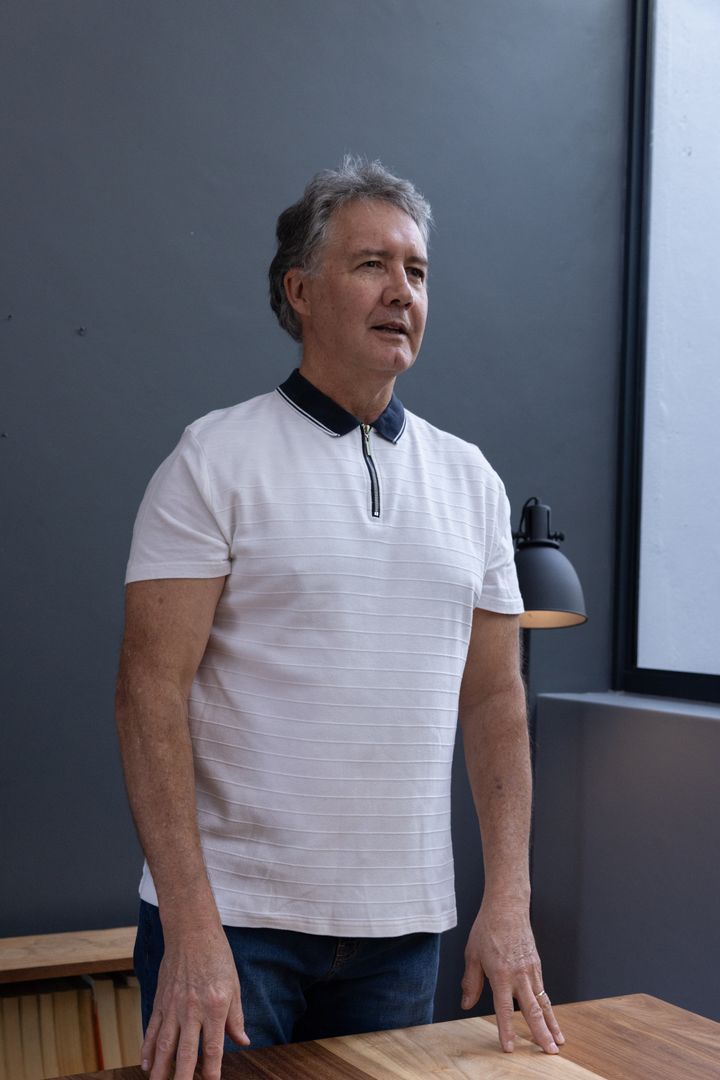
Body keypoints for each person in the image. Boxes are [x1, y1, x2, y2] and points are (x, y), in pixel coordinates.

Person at [115, 156, 564, 1080]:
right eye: (372, 265)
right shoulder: (213, 459)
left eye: (418, 272)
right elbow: (146, 695)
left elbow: (494, 703)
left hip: (403, 932)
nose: (401, 291)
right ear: (301, 291)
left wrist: (508, 901)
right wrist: (194, 932)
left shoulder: (471, 480)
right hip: (235, 929)